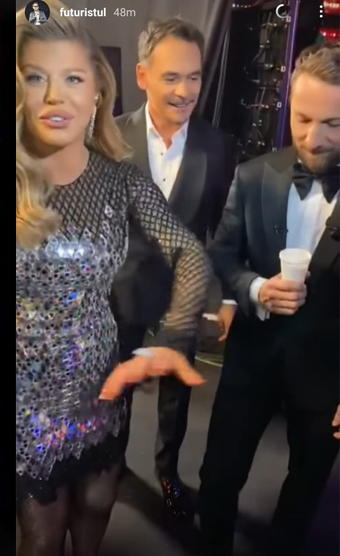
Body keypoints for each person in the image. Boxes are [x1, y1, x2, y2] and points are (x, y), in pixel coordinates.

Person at [14, 3, 209, 555]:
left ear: (98, 89)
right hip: (29, 396)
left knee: (98, 502)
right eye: (36, 78)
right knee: (42, 534)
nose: (56, 96)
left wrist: (170, 338)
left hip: (102, 376)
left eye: (73, 78)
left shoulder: (120, 178)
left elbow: (189, 252)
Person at [199, 42, 340, 556]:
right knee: (218, 477)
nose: (313, 138)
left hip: (328, 372)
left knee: (305, 490)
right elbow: (222, 255)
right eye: (303, 119)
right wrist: (255, 289)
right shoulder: (253, 174)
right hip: (251, 358)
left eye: (333, 124)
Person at [110, 17, 238, 518]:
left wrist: (223, 296)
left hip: (184, 294)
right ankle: (113, 464)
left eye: (194, 77)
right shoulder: (109, 138)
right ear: (142, 76)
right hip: (120, 289)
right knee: (115, 388)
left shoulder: (218, 146)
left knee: (175, 396)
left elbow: (222, 230)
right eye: (171, 77)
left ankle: (167, 472)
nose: (185, 91)